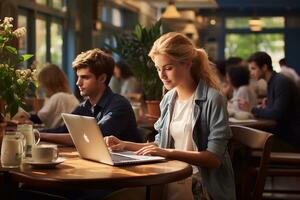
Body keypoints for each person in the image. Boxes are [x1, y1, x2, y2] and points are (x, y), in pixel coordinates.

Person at [105, 32, 236, 200]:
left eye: (168, 68)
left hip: (200, 186)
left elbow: (214, 159)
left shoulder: (212, 99)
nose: (162, 75)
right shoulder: (169, 99)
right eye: (158, 69)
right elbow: (161, 145)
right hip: (173, 176)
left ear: (187, 63)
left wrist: (168, 153)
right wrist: (124, 145)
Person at [40, 48, 140, 145]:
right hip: (100, 160)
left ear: (102, 78)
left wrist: (39, 135)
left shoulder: (119, 106)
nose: (78, 83)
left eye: (85, 77)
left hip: (128, 161)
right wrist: (33, 132)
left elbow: (89, 137)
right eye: (78, 77)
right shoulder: (85, 106)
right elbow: (63, 130)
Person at [240, 51, 300, 147]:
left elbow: (277, 114)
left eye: (253, 69)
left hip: (290, 139)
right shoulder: (273, 81)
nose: (251, 73)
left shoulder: (280, 82)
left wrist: (251, 109)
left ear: (264, 67)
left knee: (245, 143)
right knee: (244, 140)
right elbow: (278, 110)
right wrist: (268, 105)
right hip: (282, 133)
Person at [13, 64, 79, 129]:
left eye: (43, 86)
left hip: (58, 134)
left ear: (49, 84)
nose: (43, 88)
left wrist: (22, 114)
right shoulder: (71, 97)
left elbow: (40, 118)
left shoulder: (58, 97)